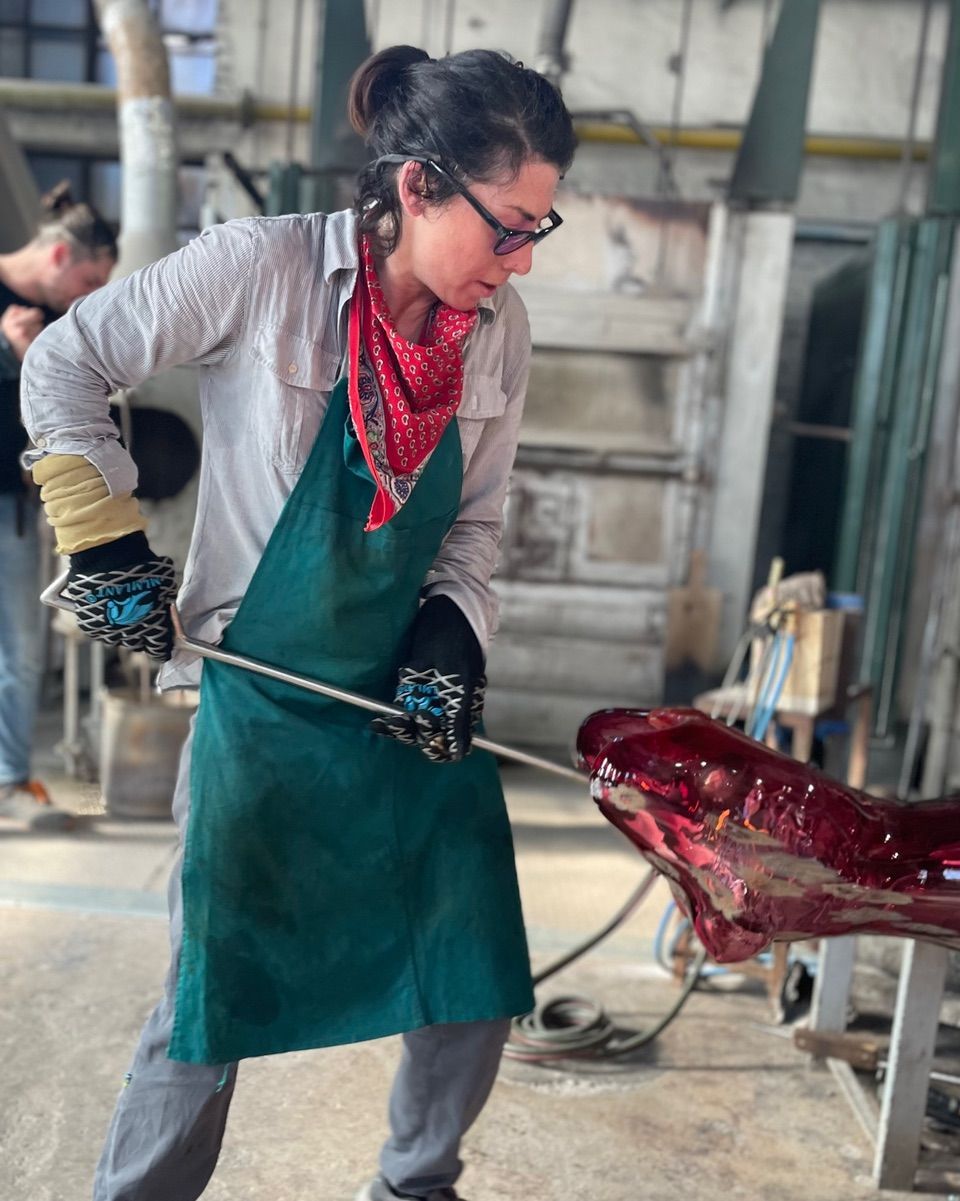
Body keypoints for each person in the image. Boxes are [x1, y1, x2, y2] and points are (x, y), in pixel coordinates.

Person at [22, 45, 576, 1201]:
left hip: (400, 704)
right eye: (509, 226)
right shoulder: (261, 269)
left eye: (539, 229)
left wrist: (451, 632)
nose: (521, 258)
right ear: (419, 186)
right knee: (211, 993)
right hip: (259, 699)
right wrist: (104, 532)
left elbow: (473, 523)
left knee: (468, 958)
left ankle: (416, 1186)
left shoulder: (499, 331)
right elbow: (66, 361)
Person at [0, 183, 116, 831]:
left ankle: (9, 780)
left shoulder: (58, 325)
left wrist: (31, 362)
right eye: (89, 281)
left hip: (15, 508)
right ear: (58, 255)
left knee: (21, 649)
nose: (87, 297)